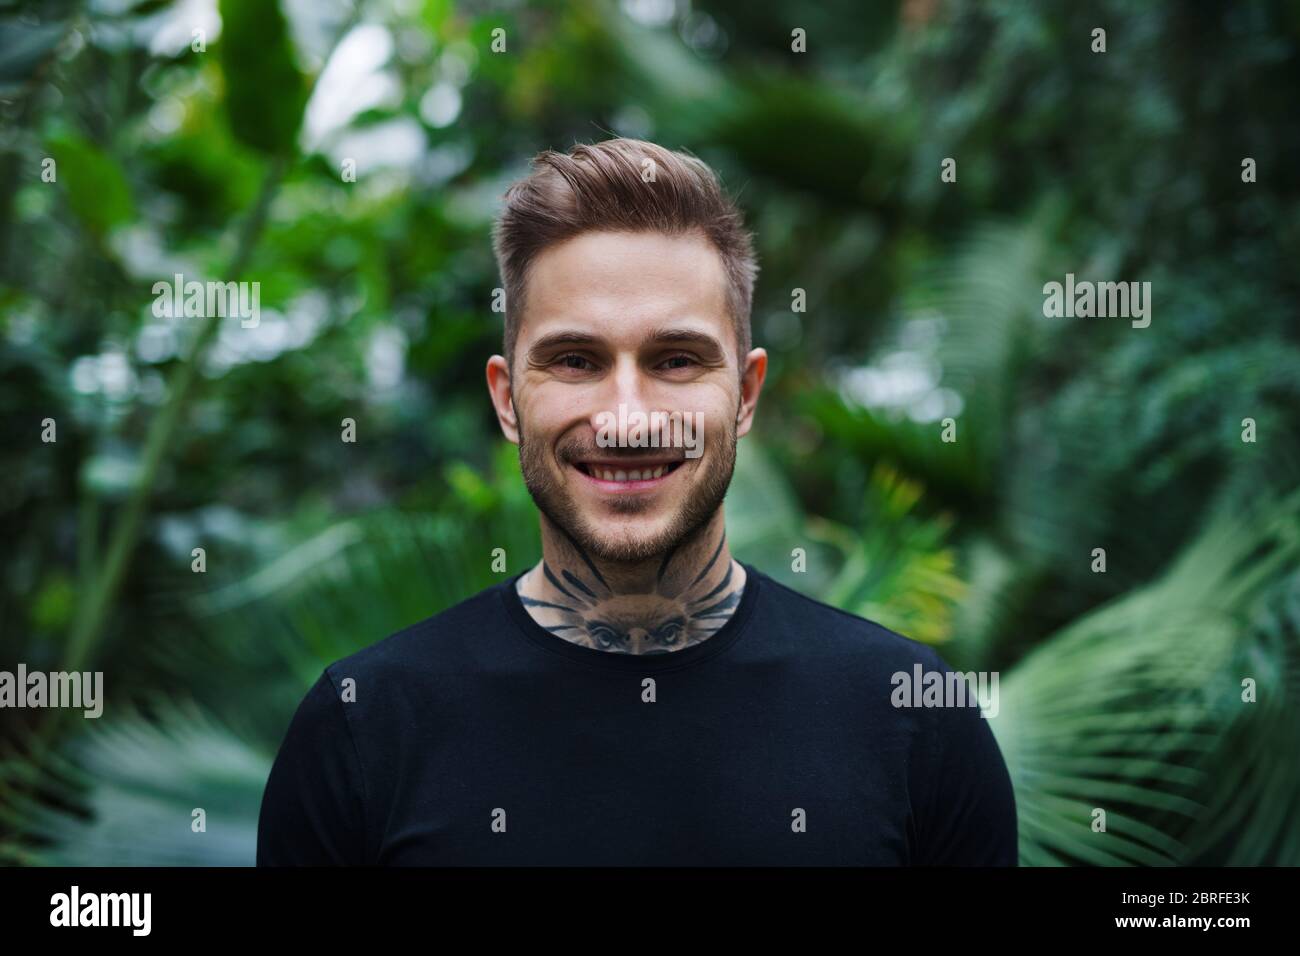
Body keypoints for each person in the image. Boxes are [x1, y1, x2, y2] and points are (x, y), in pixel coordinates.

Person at [256, 138, 1017, 866]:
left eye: (677, 360)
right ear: (508, 398)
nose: (627, 418)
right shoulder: (363, 727)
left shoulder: (915, 718)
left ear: (746, 394)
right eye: (576, 360)